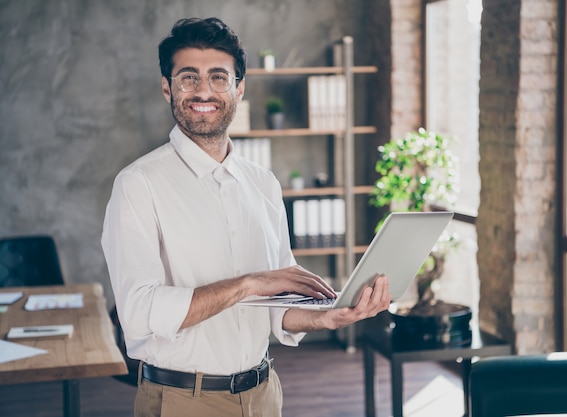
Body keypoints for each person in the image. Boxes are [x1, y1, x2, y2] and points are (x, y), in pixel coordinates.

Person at [101, 17, 391, 417]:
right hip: (182, 401)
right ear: (167, 86)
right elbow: (138, 314)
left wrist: (330, 318)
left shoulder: (263, 184)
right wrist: (252, 283)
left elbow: (278, 306)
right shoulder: (137, 184)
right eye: (188, 78)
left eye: (219, 77)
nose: (204, 90)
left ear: (239, 88)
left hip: (264, 393)